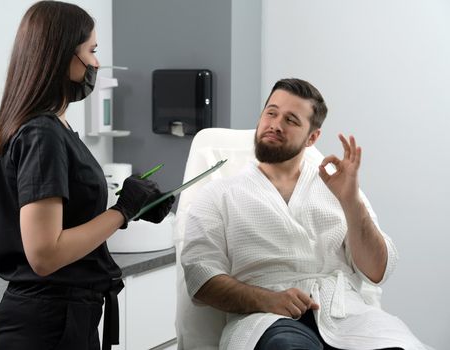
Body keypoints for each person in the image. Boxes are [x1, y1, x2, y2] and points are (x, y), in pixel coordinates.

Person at [181, 78, 426, 350]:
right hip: (267, 322)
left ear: (312, 137)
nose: (275, 124)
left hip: (347, 316)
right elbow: (200, 278)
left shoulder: (339, 188)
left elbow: (377, 270)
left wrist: (351, 200)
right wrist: (266, 300)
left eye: (291, 120)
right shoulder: (218, 194)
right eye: (271, 112)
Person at [0, 2, 173, 350]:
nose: (96, 62)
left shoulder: (54, 128)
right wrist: (122, 211)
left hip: (68, 315)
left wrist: (133, 207)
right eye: (91, 50)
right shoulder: (41, 134)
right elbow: (45, 254)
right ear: (62, 55)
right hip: (48, 324)